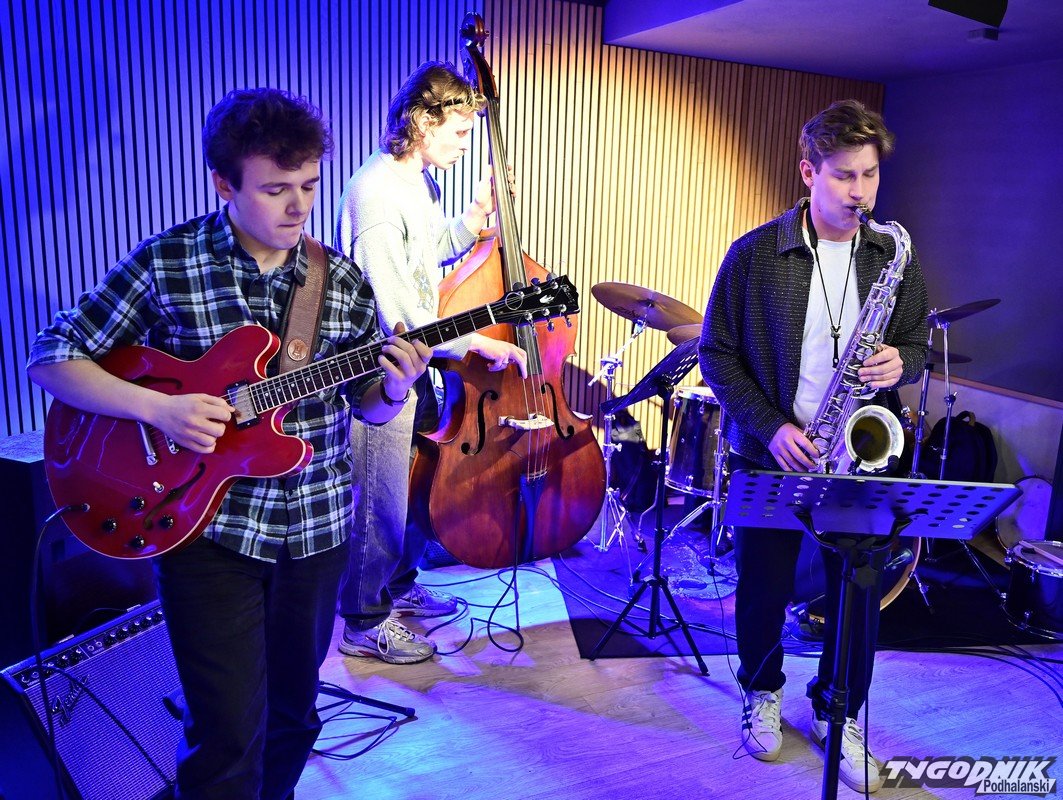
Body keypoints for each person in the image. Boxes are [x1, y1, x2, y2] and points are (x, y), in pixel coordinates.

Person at [28, 88, 431, 800]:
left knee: (294, 721)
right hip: (207, 534)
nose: (298, 206)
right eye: (275, 189)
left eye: (308, 185)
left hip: (315, 532)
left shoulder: (338, 279)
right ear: (224, 184)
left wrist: (396, 388)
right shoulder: (169, 262)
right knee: (225, 741)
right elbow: (51, 357)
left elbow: (367, 405)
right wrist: (160, 409)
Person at [698, 100, 928, 793]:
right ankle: (761, 691)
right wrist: (772, 428)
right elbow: (716, 354)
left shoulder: (892, 254)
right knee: (761, 587)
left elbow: (915, 342)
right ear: (808, 173)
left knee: (857, 594)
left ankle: (839, 709)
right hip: (772, 451)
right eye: (843, 176)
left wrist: (901, 363)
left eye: (869, 175)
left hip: (859, 456)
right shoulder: (753, 255)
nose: (860, 192)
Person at [334, 61, 527, 665]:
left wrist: (472, 220)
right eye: (460, 132)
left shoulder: (419, 183)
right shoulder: (375, 197)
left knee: (413, 491)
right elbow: (397, 321)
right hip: (380, 373)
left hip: (418, 368)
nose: (466, 144)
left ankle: (399, 586)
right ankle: (364, 621)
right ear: (422, 121)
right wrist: (475, 344)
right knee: (380, 502)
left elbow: (427, 257)